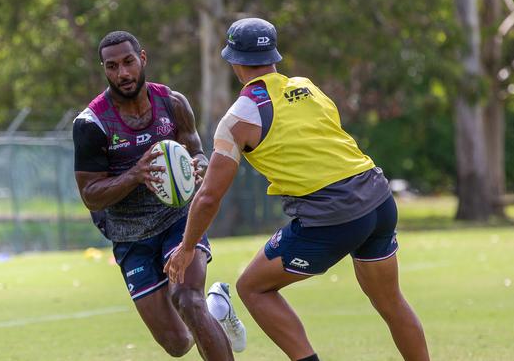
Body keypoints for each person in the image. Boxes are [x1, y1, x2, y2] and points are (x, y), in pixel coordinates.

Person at [164, 18, 430, 361]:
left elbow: (210, 196)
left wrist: (186, 248)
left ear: (233, 61)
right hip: (377, 196)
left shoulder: (238, 118)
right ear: (273, 56)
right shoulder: (308, 87)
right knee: (390, 301)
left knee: (252, 288)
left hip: (334, 214)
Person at [73, 31, 245, 359]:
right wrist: (136, 174)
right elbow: (91, 195)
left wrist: (197, 165)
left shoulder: (172, 103)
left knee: (188, 300)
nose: (122, 73)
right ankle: (217, 308)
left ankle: (204, 307)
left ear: (143, 59)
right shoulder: (91, 124)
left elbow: (197, 153)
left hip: (178, 220)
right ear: (104, 69)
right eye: (112, 66)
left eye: (128, 62)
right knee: (178, 343)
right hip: (130, 237)